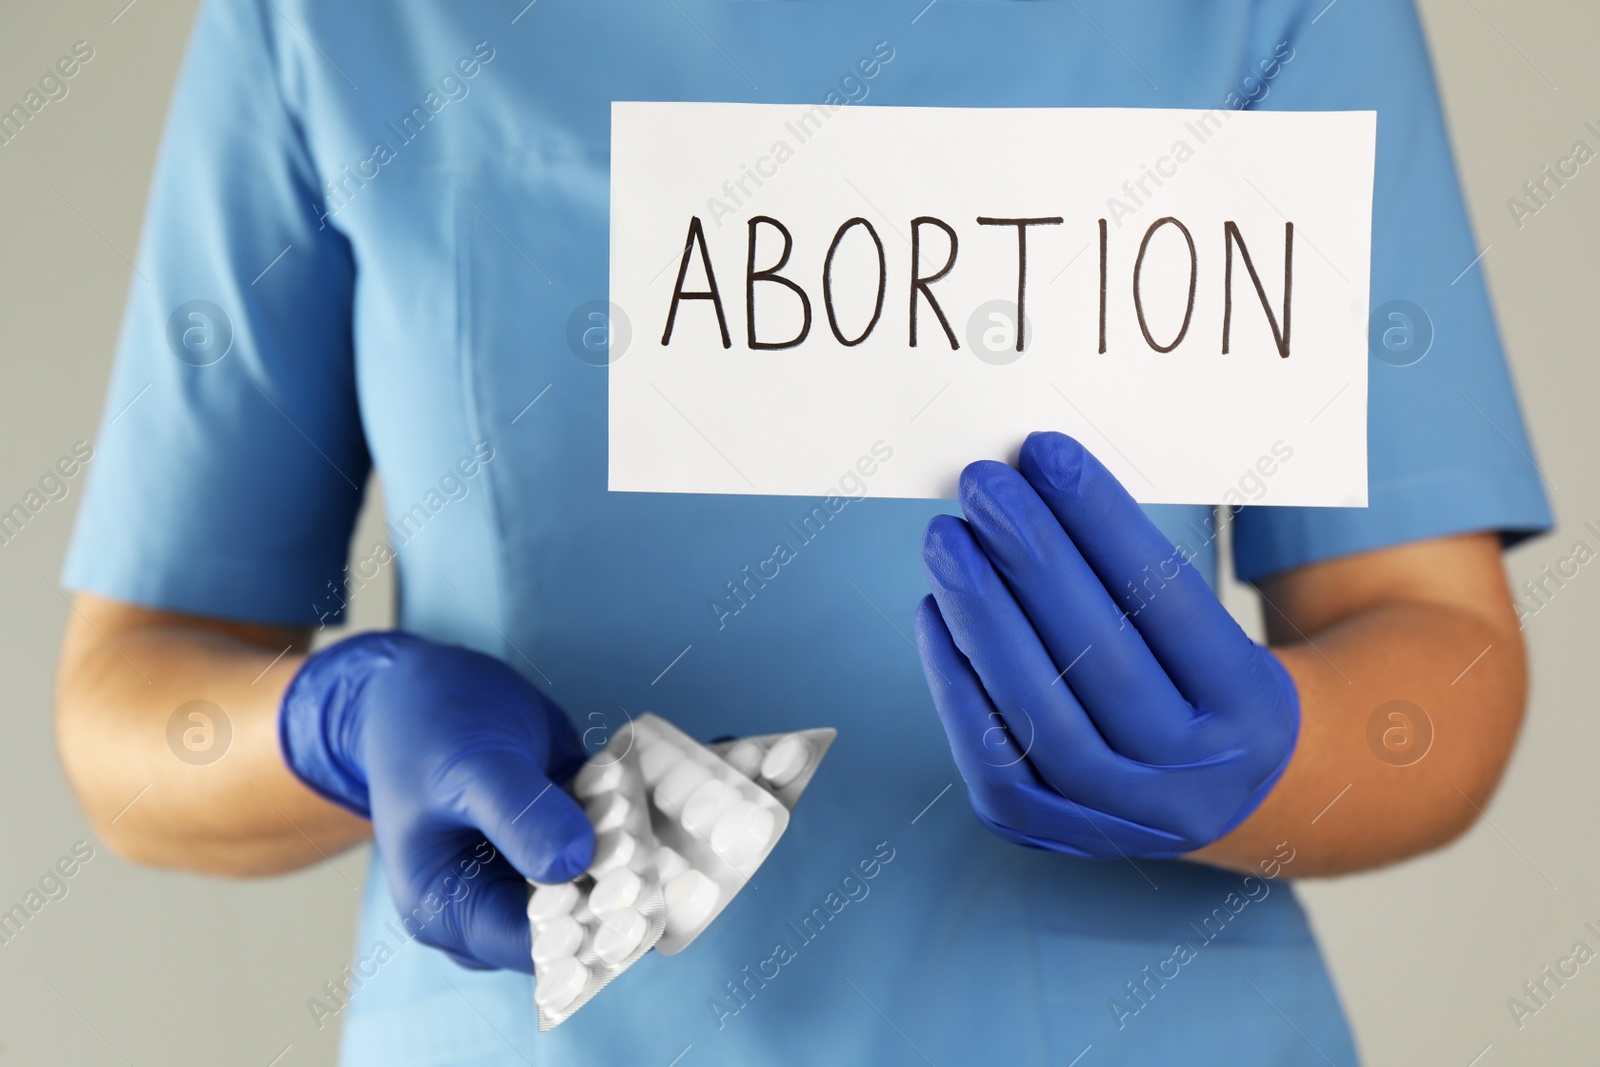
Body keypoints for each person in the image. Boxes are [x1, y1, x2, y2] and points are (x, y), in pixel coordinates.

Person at [54, 0, 1550, 1063]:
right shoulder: (327, 17)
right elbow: (130, 710)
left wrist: (1268, 752)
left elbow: (1442, 654)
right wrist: (337, 724)